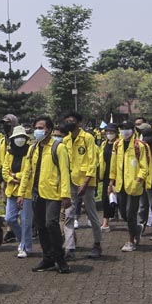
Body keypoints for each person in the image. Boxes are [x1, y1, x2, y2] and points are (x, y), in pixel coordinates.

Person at [18, 116, 72, 272]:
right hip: (37, 193)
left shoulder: (58, 147)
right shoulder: (33, 148)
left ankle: (60, 258)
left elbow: (64, 172)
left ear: (49, 129)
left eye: (41, 128)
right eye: (36, 127)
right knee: (41, 226)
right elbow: (27, 172)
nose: (37, 130)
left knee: (51, 224)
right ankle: (47, 257)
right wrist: (21, 193)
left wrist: (66, 195)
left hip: (53, 193)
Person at [62, 111, 102, 260]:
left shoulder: (87, 138)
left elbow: (93, 161)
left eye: (71, 121)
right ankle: (70, 247)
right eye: (66, 121)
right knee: (68, 215)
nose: (68, 123)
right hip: (71, 181)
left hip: (87, 182)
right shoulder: (65, 140)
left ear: (78, 123)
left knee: (91, 214)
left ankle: (97, 243)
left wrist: (85, 182)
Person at [108, 121, 149, 251]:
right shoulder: (117, 145)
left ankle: (131, 241)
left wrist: (138, 180)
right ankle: (137, 228)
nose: (123, 131)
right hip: (120, 185)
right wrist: (111, 182)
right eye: (122, 129)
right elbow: (113, 166)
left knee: (131, 214)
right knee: (123, 214)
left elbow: (144, 166)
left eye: (126, 129)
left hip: (134, 185)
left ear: (132, 130)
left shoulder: (140, 146)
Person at [3, 125, 32, 258]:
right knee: (10, 219)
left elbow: (28, 171)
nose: (19, 139)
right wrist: (11, 178)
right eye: (17, 137)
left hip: (26, 190)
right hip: (12, 190)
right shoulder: (9, 153)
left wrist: (15, 176)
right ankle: (22, 240)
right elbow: (4, 171)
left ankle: (25, 246)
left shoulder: (29, 153)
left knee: (26, 220)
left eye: (22, 137)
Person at [98, 124, 117, 231]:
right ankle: (105, 222)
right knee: (106, 198)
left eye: (112, 131)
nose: (109, 133)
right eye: (108, 131)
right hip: (106, 174)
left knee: (119, 199)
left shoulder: (119, 144)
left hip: (118, 175)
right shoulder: (104, 144)